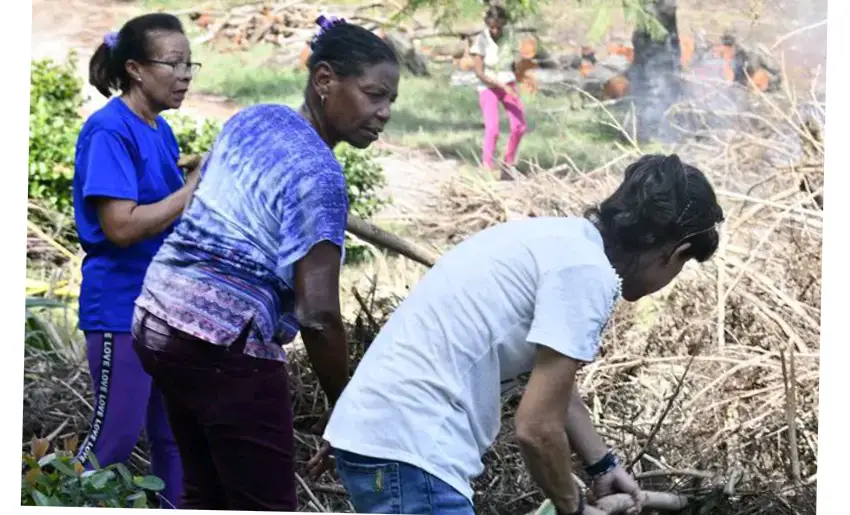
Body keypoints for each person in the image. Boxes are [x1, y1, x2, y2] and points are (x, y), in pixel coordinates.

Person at [315, 154, 725, 515]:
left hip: (383, 438)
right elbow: (536, 426)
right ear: (676, 252)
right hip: (412, 450)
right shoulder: (586, 274)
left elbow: (554, 390)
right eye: (682, 266)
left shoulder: (560, 242)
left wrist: (603, 466)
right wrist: (573, 506)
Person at [130, 16, 399, 511]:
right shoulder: (321, 176)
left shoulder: (254, 118)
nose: (383, 113)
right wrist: (346, 407)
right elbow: (318, 317)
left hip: (157, 317)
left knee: (207, 493)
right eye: (373, 94)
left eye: (390, 101)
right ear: (324, 80)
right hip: (221, 343)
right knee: (266, 504)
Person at [71, 12, 202, 509]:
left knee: (174, 438)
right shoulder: (109, 130)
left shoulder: (159, 129)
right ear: (135, 69)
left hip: (162, 310)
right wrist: (190, 192)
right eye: (173, 64)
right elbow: (121, 226)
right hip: (119, 309)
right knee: (114, 439)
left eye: (190, 65)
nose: (185, 76)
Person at [469, 5, 528, 176]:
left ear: (504, 24)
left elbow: (516, 61)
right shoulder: (482, 40)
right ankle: (486, 167)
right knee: (493, 129)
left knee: (519, 126)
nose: (495, 30)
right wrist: (501, 86)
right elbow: (479, 73)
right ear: (487, 24)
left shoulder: (510, 36)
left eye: (498, 27)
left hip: (508, 83)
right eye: (492, 27)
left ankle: (508, 163)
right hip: (488, 87)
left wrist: (520, 71)